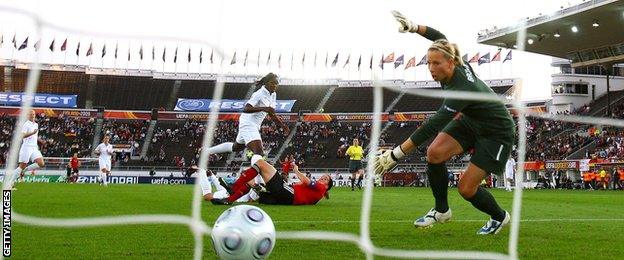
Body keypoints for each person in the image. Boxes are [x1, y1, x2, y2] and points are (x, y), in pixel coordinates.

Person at [374, 11, 514, 235]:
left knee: (466, 189)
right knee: (434, 154)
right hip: (471, 121)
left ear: (450, 63)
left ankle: (500, 216)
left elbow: (432, 125)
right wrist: (413, 26)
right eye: (428, 63)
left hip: (496, 133)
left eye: (436, 63)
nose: (431, 68)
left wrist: (396, 154)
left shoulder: (462, 89)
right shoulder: (454, 60)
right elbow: (439, 36)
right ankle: (441, 211)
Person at [204, 73, 289, 160]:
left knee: (236, 147)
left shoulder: (273, 94)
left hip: (255, 125)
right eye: (272, 83)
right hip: (248, 123)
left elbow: (271, 113)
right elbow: (246, 109)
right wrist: (264, 108)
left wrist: (283, 126)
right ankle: (251, 174)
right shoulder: (259, 94)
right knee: (259, 152)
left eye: (276, 83)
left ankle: (206, 151)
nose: (275, 85)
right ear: (266, 83)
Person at [212, 156, 332, 206]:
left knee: (260, 163)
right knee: (252, 182)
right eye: (323, 176)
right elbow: (299, 186)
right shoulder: (317, 194)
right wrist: (287, 168)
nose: (322, 178)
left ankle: (233, 188)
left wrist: (296, 170)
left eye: (325, 179)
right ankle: (229, 200)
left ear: (327, 186)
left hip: (288, 194)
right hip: (285, 198)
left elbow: (306, 181)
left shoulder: (321, 188)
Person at [6, 110, 45, 190]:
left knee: (41, 163)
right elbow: (22, 136)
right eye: (30, 114)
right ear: (28, 116)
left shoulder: (36, 124)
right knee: (21, 166)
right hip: (26, 147)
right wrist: (32, 133)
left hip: (34, 147)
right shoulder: (26, 125)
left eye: (33, 114)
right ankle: (10, 183)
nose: (32, 116)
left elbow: (34, 136)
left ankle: (24, 171)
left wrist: (40, 140)